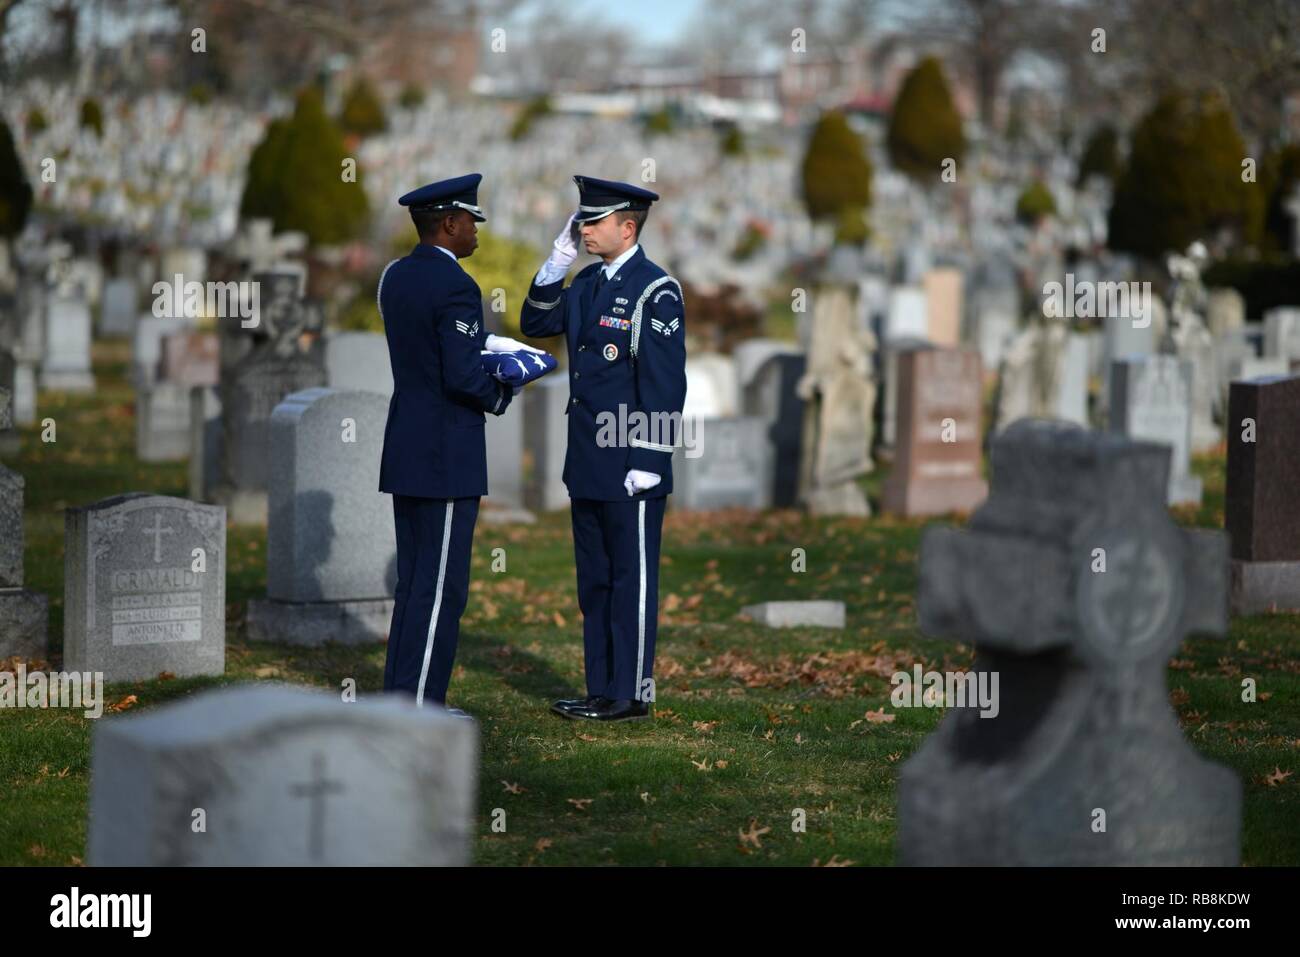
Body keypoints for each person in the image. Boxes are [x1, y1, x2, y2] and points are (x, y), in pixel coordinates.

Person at [520, 175, 687, 722]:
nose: (584, 229)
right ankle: (601, 689)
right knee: (594, 582)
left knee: (631, 581)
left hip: (629, 462)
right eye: (582, 221)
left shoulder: (654, 291)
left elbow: (664, 386)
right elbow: (536, 320)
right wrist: (556, 262)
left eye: (593, 222)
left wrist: (647, 461)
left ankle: (631, 693)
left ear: (627, 226)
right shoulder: (589, 282)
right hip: (588, 459)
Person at [379, 173, 540, 716]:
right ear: (448, 223)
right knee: (442, 588)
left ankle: (399, 698)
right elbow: (460, 375)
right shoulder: (456, 287)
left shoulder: (394, 277)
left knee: (413, 585)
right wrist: (505, 385)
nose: (476, 232)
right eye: (471, 221)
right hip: (447, 453)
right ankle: (421, 708)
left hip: (407, 445)